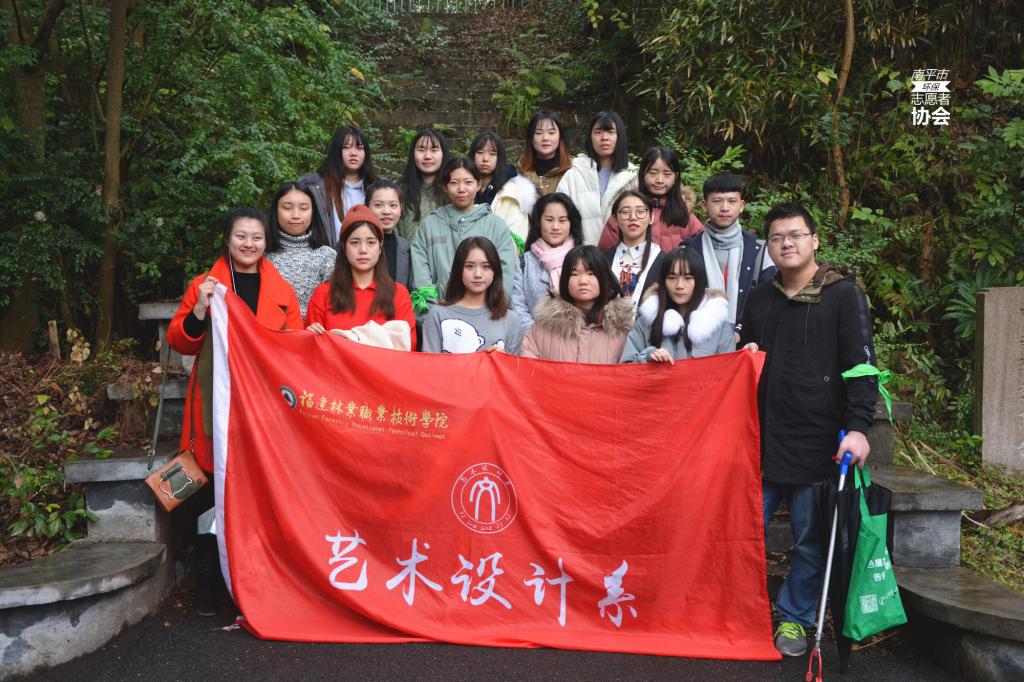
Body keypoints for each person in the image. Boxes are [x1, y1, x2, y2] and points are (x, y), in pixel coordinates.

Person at [739, 203, 877, 657]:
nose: (787, 244)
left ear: (814, 240)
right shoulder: (760, 297)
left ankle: (794, 617)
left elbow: (861, 366)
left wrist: (858, 428)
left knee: (809, 541)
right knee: (741, 533)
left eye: (796, 235)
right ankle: (739, 613)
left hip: (818, 442)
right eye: (777, 237)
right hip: (761, 438)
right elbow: (744, 359)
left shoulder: (844, 295)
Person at [166, 207, 304, 615]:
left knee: (258, 494)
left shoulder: (281, 290)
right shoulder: (205, 285)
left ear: (266, 242)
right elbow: (180, 341)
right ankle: (209, 584)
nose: (249, 244)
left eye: (256, 237)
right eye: (241, 236)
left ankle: (257, 583)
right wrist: (199, 310)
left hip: (262, 410)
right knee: (211, 496)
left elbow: (293, 346)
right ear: (227, 239)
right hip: (214, 407)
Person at [410, 157, 518, 314]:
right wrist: (435, 314)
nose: (461, 189)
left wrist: (489, 312)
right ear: (445, 186)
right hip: (438, 316)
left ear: (478, 185)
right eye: (454, 183)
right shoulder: (429, 225)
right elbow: (420, 274)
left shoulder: (496, 226)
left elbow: (505, 274)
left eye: (468, 182)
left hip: (486, 317)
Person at [305, 205, 416, 349]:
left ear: (380, 246)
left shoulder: (398, 294)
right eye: (355, 243)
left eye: (371, 242)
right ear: (344, 246)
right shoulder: (323, 294)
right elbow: (313, 350)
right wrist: (310, 337)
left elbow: (409, 346)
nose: (363, 250)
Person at [682, 172, 775, 330]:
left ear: (741, 205)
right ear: (704, 205)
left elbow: (769, 300)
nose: (725, 208)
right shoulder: (688, 250)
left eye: (732, 201)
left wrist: (741, 331)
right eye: (717, 201)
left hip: (748, 339)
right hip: (698, 336)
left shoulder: (760, 250)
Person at [519, 245, 634, 363]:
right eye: (574, 274)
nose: (583, 281)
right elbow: (527, 369)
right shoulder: (541, 329)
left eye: (591, 273)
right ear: (565, 280)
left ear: (604, 278)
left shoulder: (623, 331)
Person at [620, 246, 733, 363]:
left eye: (687, 278)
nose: (679, 285)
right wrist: (648, 358)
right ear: (663, 281)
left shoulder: (719, 326)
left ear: (699, 281)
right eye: (672, 278)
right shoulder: (645, 322)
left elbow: (729, 370)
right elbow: (626, 368)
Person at [422, 236, 524, 354]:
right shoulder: (437, 314)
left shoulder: (511, 319)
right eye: (469, 266)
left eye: (486, 266)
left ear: (495, 271)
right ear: (459, 270)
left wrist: (502, 359)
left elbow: (514, 365)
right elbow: (430, 363)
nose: (478, 274)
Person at [597, 147, 703, 251]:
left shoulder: (684, 213)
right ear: (643, 173)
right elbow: (605, 256)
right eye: (653, 173)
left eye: (667, 174)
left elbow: (701, 252)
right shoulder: (626, 211)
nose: (660, 180)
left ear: (675, 177)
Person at [555, 111, 638, 245]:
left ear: (620, 136)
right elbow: (558, 217)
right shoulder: (574, 175)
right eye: (598, 132)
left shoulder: (631, 177)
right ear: (590, 137)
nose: (604, 138)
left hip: (622, 253)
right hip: (580, 254)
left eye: (610, 132)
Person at [491, 110, 572, 243]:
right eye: (538, 133)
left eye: (551, 133)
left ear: (560, 137)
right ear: (531, 138)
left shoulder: (573, 171)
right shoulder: (518, 173)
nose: (545, 138)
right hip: (528, 245)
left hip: (566, 245)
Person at [511, 192, 584, 327]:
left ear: (571, 223)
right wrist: (538, 336)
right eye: (549, 220)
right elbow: (517, 307)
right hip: (534, 337)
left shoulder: (585, 259)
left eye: (562, 220)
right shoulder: (522, 263)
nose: (555, 227)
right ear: (538, 222)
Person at [264, 181, 336, 317]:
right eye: (287, 207)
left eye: (304, 208)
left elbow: (335, 305)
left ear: (312, 212)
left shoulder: (327, 256)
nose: (296, 215)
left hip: (314, 327)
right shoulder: (262, 254)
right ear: (276, 210)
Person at [300, 126, 379, 247]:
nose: (353, 153)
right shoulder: (316, 187)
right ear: (336, 151)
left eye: (359, 148)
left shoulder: (377, 188)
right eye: (346, 147)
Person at [602, 190, 665, 305]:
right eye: (625, 212)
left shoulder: (664, 261)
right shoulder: (603, 260)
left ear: (651, 217)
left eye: (640, 211)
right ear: (615, 219)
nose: (633, 217)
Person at [396, 127, 450, 240]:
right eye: (421, 149)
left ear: (443, 154)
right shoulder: (398, 191)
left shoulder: (453, 191)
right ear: (413, 154)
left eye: (434, 150)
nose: (427, 156)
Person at [366, 179, 412, 289]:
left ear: (401, 208)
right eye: (378, 205)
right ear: (366, 207)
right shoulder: (352, 244)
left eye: (393, 205)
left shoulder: (409, 249)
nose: (386, 211)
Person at [470, 131, 517, 205]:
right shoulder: (463, 185)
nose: (485, 159)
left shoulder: (509, 187)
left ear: (500, 157)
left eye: (492, 154)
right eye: (480, 152)